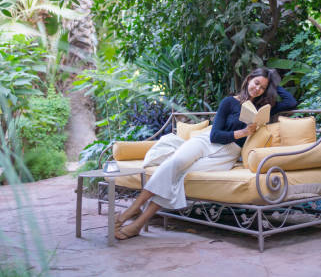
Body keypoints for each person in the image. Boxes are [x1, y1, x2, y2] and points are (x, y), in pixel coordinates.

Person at [114, 67, 297, 240]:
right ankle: (133, 209)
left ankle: (139, 224)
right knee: (175, 163)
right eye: (256, 83)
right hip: (206, 141)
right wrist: (241, 133)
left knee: (179, 176)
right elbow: (215, 134)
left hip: (227, 154)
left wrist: (273, 83)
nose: (257, 89)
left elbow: (290, 102)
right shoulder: (229, 102)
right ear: (248, 79)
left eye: (262, 87)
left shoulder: (262, 109)